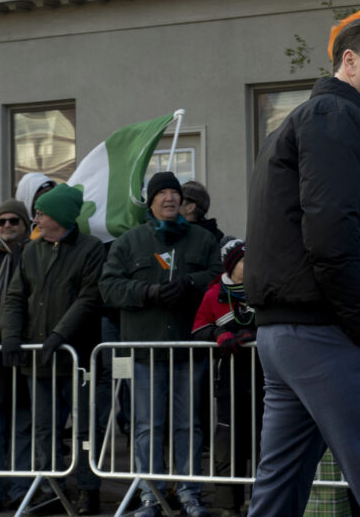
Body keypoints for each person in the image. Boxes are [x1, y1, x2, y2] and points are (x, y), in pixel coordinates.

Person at [244, 16, 360, 516]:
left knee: (278, 490)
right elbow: (329, 233)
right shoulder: (334, 116)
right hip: (329, 334)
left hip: (290, 335)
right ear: (350, 61)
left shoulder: (313, 119)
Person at [100, 171, 220, 517]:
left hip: (188, 349)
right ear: (150, 202)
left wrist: (190, 284)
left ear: (182, 201)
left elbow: (218, 275)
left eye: (175, 193)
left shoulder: (201, 239)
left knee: (189, 426)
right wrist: (146, 292)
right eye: (162, 193)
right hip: (144, 352)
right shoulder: (129, 242)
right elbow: (108, 287)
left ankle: (189, 492)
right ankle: (150, 494)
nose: (169, 198)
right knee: (146, 426)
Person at [0, 185, 107, 514]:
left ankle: (88, 490)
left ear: (59, 216)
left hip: (78, 356)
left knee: (85, 429)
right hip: (40, 357)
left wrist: (60, 335)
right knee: (44, 427)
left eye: (42, 213)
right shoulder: (30, 251)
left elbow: (90, 298)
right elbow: (16, 296)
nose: (37, 219)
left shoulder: (91, 250)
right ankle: (51, 489)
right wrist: (11, 337)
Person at [192, 237, 261, 517]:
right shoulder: (213, 295)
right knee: (229, 442)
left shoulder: (264, 289)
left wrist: (255, 336)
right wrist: (219, 334)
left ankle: (261, 502)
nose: (252, 264)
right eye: (245, 260)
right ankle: (227, 504)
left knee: (263, 442)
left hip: (265, 381)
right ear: (231, 266)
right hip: (229, 383)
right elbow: (198, 329)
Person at [0, 199, 32, 511]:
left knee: (22, 426)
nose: (6, 226)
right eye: (1, 221)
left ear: (25, 224)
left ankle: (20, 490)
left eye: (13, 221)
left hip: (24, 351)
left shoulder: (33, 254)